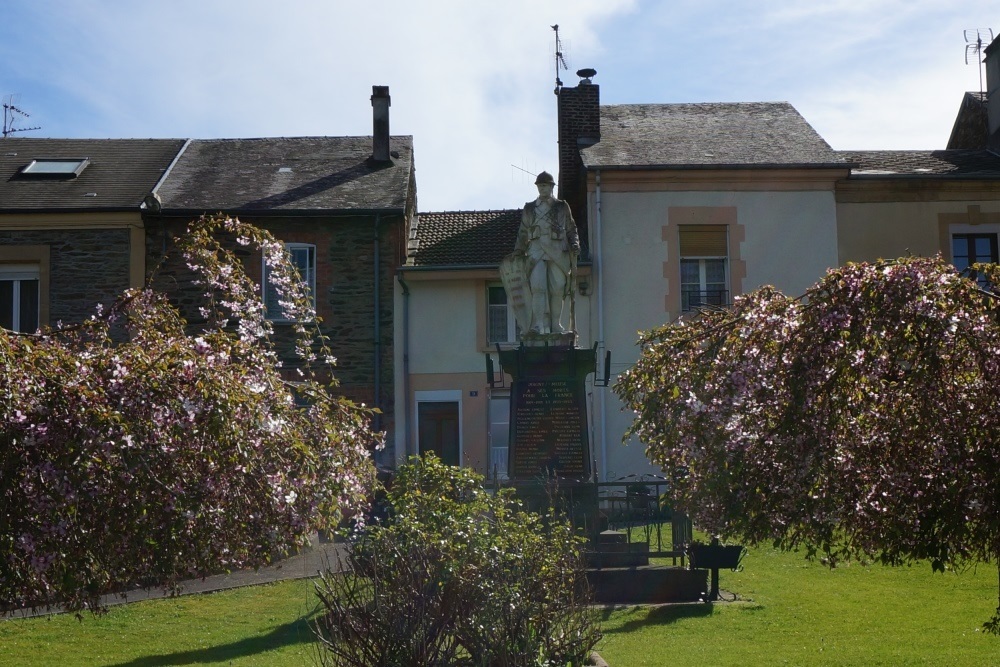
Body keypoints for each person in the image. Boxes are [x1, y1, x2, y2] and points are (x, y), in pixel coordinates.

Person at [501, 171, 580, 335]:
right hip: (536, 251)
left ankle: (555, 324)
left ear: (551, 187)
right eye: (540, 186)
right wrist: (518, 250)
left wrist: (574, 243)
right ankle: (538, 325)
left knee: (557, 288)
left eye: (545, 186)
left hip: (558, 250)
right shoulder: (530, 208)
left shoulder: (561, 206)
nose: (542, 189)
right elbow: (523, 232)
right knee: (538, 287)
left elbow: (571, 228)